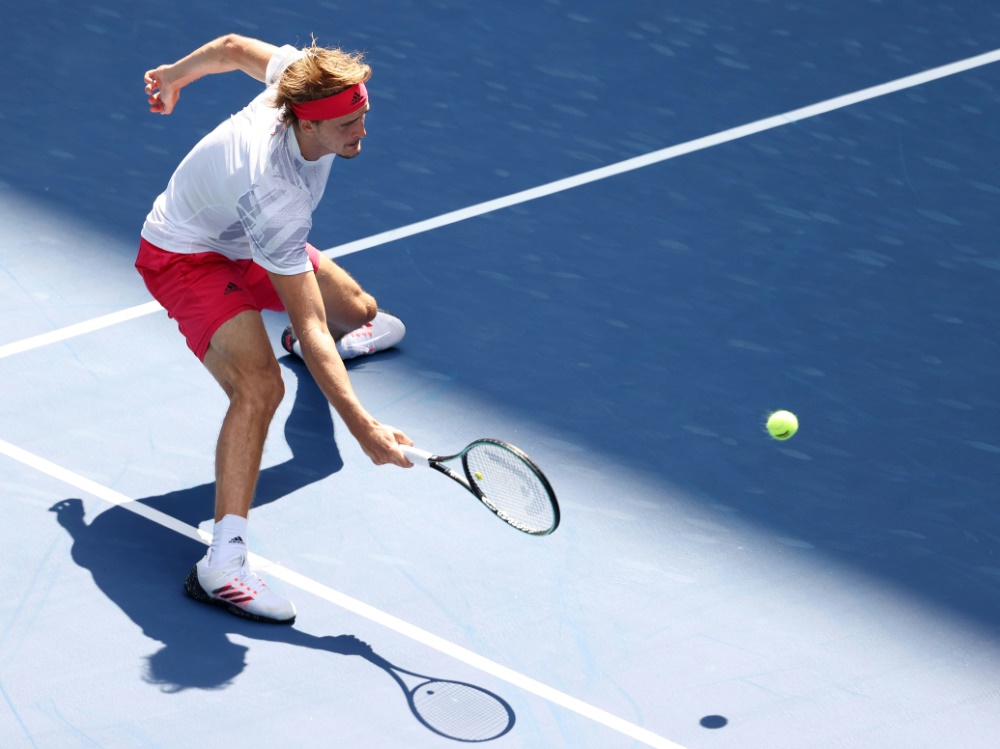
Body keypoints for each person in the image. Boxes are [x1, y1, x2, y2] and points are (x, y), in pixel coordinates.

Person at [136, 34, 413, 626]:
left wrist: (174, 73)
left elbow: (235, 48)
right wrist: (362, 426)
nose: (361, 133)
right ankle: (223, 565)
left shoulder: (299, 83)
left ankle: (334, 341)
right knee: (262, 389)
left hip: (248, 242)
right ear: (308, 127)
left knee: (364, 314)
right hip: (186, 256)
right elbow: (309, 324)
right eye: (347, 126)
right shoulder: (275, 194)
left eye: (364, 116)